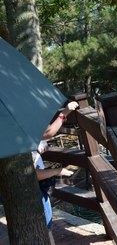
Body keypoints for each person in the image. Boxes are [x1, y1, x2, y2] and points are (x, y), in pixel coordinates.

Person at [32, 101, 79, 242]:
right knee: (45, 227)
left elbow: (48, 133)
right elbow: (33, 175)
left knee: (44, 227)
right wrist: (58, 171)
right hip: (34, 189)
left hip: (30, 190)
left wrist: (64, 113)